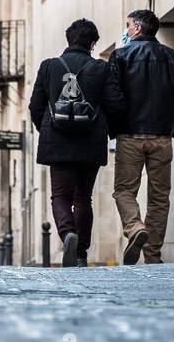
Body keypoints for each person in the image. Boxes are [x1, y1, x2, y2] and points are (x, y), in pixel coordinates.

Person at [28, 17, 125, 267]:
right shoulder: (102, 69)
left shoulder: (48, 66)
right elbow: (115, 105)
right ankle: (81, 252)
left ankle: (67, 233)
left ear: (68, 39)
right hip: (90, 142)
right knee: (83, 197)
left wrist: (50, 129)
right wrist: (107, 131)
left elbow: (36, 105)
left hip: (57, 141)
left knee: (60, 194)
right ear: (93, 43)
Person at [107, 9, 174, 265]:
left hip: (130, 136)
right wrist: (173, 123)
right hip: (161, 138)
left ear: (136, 28)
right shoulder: (173, 57)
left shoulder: (120, 56)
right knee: (159, 197)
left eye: (127, 25)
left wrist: (118, 125)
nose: (126, 30)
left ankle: (135, 228)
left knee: (124, 191)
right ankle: (153, 255)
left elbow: (112, 96)